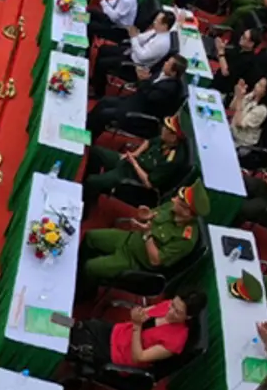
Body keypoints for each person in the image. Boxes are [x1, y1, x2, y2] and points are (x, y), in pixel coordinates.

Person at [80, 179, 209, 285]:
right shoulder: (171, 207)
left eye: (179, 201)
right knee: (90, 237)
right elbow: (152, 216)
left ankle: (84, 290)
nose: (174, 200)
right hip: (129, 238)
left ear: (187, 212)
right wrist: (145, 216)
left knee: (90, 267)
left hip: (134, 261)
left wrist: (147, 234)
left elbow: (155, 260)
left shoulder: (185, 239)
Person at [69, 291, 206, 371]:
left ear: (188, 317)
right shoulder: (169, 304)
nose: (170, 311)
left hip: (118, 354)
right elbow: (141, 314)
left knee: (74, 344)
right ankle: (50, 318)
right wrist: (136, 315)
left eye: (177, 312)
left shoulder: (176, 341)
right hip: (117, 332)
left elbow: (139, 357)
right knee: (79, 324)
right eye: (172, 305)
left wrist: (137, 326)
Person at [81, 114, 187, 205]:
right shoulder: (165, 140)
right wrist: (135, 154)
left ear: (174, 137)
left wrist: (134, 163)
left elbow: (149, 183)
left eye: (167, 129)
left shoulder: (171, 160)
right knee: (95, 152)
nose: (163, 129)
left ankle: (84, 207)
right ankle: (92, 187)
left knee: (91, 181)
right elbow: (148, 142)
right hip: (128, 161)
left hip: (130, 175)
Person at [87, 55, 187, 138]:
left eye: (168, 64)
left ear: (173, 72)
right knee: (103, 101)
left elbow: (149, 97)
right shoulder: (162, 72)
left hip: (138, 112)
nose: (165, 63)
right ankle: (86, 125)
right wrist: (144, 80)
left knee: (104, 114)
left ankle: (90, 136)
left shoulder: (170, 89)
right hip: (134, 100)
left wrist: (143, 80)